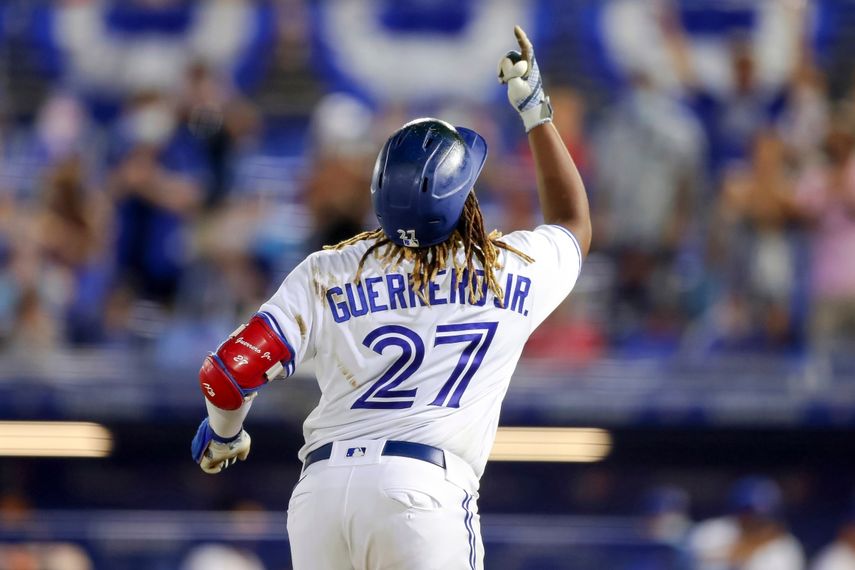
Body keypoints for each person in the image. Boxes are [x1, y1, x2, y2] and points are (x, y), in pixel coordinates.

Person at [190, 26, 591, 570]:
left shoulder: (329, 268)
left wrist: (224, 436)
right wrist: (535, 111)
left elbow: (227, 374)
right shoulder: (506, 270)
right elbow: (573, 223)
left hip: (321, 500)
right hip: (423, 493)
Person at [688, 476, 805, 570]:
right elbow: (692, 558)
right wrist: (735, 551)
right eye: (748, 513)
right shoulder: (713, 531)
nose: (754, 520)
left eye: (761, 516)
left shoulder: (785, 547)